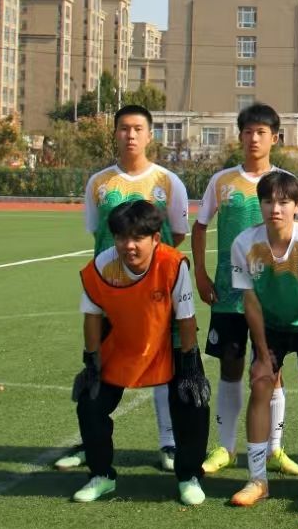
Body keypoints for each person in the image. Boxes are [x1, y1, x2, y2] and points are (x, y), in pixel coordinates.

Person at [55, 105, 189, 473]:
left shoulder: (167, 182)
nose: (130, 135)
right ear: (115, 134)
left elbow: (176, 234)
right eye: (124, 128)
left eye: (138, 129)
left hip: (156, 293)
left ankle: (169, 443)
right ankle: (91, 443)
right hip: (110, 292)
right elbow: (97, 232)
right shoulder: (99, 183)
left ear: (150, 135)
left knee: (165, 366)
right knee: (100, 364)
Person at [191, 103, 298, 478]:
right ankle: (225, 447)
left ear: (275, 138)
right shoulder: (222, 181)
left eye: (262, 132)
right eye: (248, 132)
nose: (254, 138)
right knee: (230, 367)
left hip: (273, 297)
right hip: (229, 295)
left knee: (272, 369)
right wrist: (201, 274)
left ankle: (275, 448)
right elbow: (199, 226)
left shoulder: (287, 183)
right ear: (240, 136)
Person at [70, 200, 211, 506]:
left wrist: (190, 365)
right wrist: (91, 361)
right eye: (121, 237)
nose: (128, 245)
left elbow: (186, 319)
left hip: (169, 342)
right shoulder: (101, 267)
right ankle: (101, 475)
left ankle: (189, 476)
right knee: (90, 403)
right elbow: (92, 316)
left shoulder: (172, 263)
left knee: (192, 402)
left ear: (155, 238)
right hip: (122, 341)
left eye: (137, 238)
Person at [227, 172, 298, 509]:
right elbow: (250, 302)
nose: (275, 208)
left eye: (283, 202)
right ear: (260, 205)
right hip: (270, 324)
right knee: (261, 384)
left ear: (297, 206)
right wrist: (262, 354)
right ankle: (257, 479)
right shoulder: (244, 243)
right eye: (268, 201)